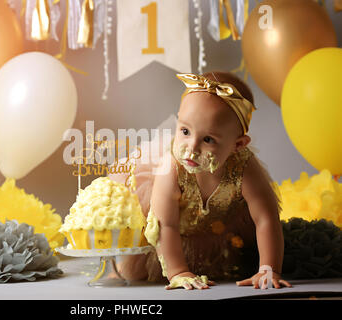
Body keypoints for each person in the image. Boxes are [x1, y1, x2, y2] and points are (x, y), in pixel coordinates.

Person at [108, 71, 292, 290]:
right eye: (185, 131)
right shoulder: (172, 167)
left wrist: (268, 269)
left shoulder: (244, 167)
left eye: (208, 139)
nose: (191, 148)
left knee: (238, 258)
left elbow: (265, 218)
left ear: (238, 145)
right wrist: (179, 272)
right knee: (145, 268)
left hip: (219, 227)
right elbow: (165, 224)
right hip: (171, 234)